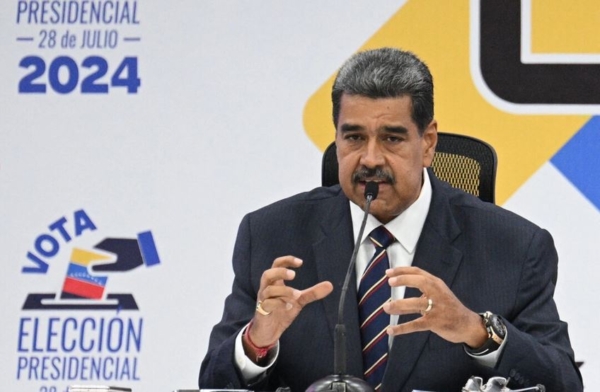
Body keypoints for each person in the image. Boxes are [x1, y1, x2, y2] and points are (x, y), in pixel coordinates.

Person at [199, 48, 582, 391]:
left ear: (428, 142)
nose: (369, 159)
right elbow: (212, 382)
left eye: (392, 139)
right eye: (353, 138)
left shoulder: (514, 247)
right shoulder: (270, 235)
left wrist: (477, 331)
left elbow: (564, 383)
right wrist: (256, 342)